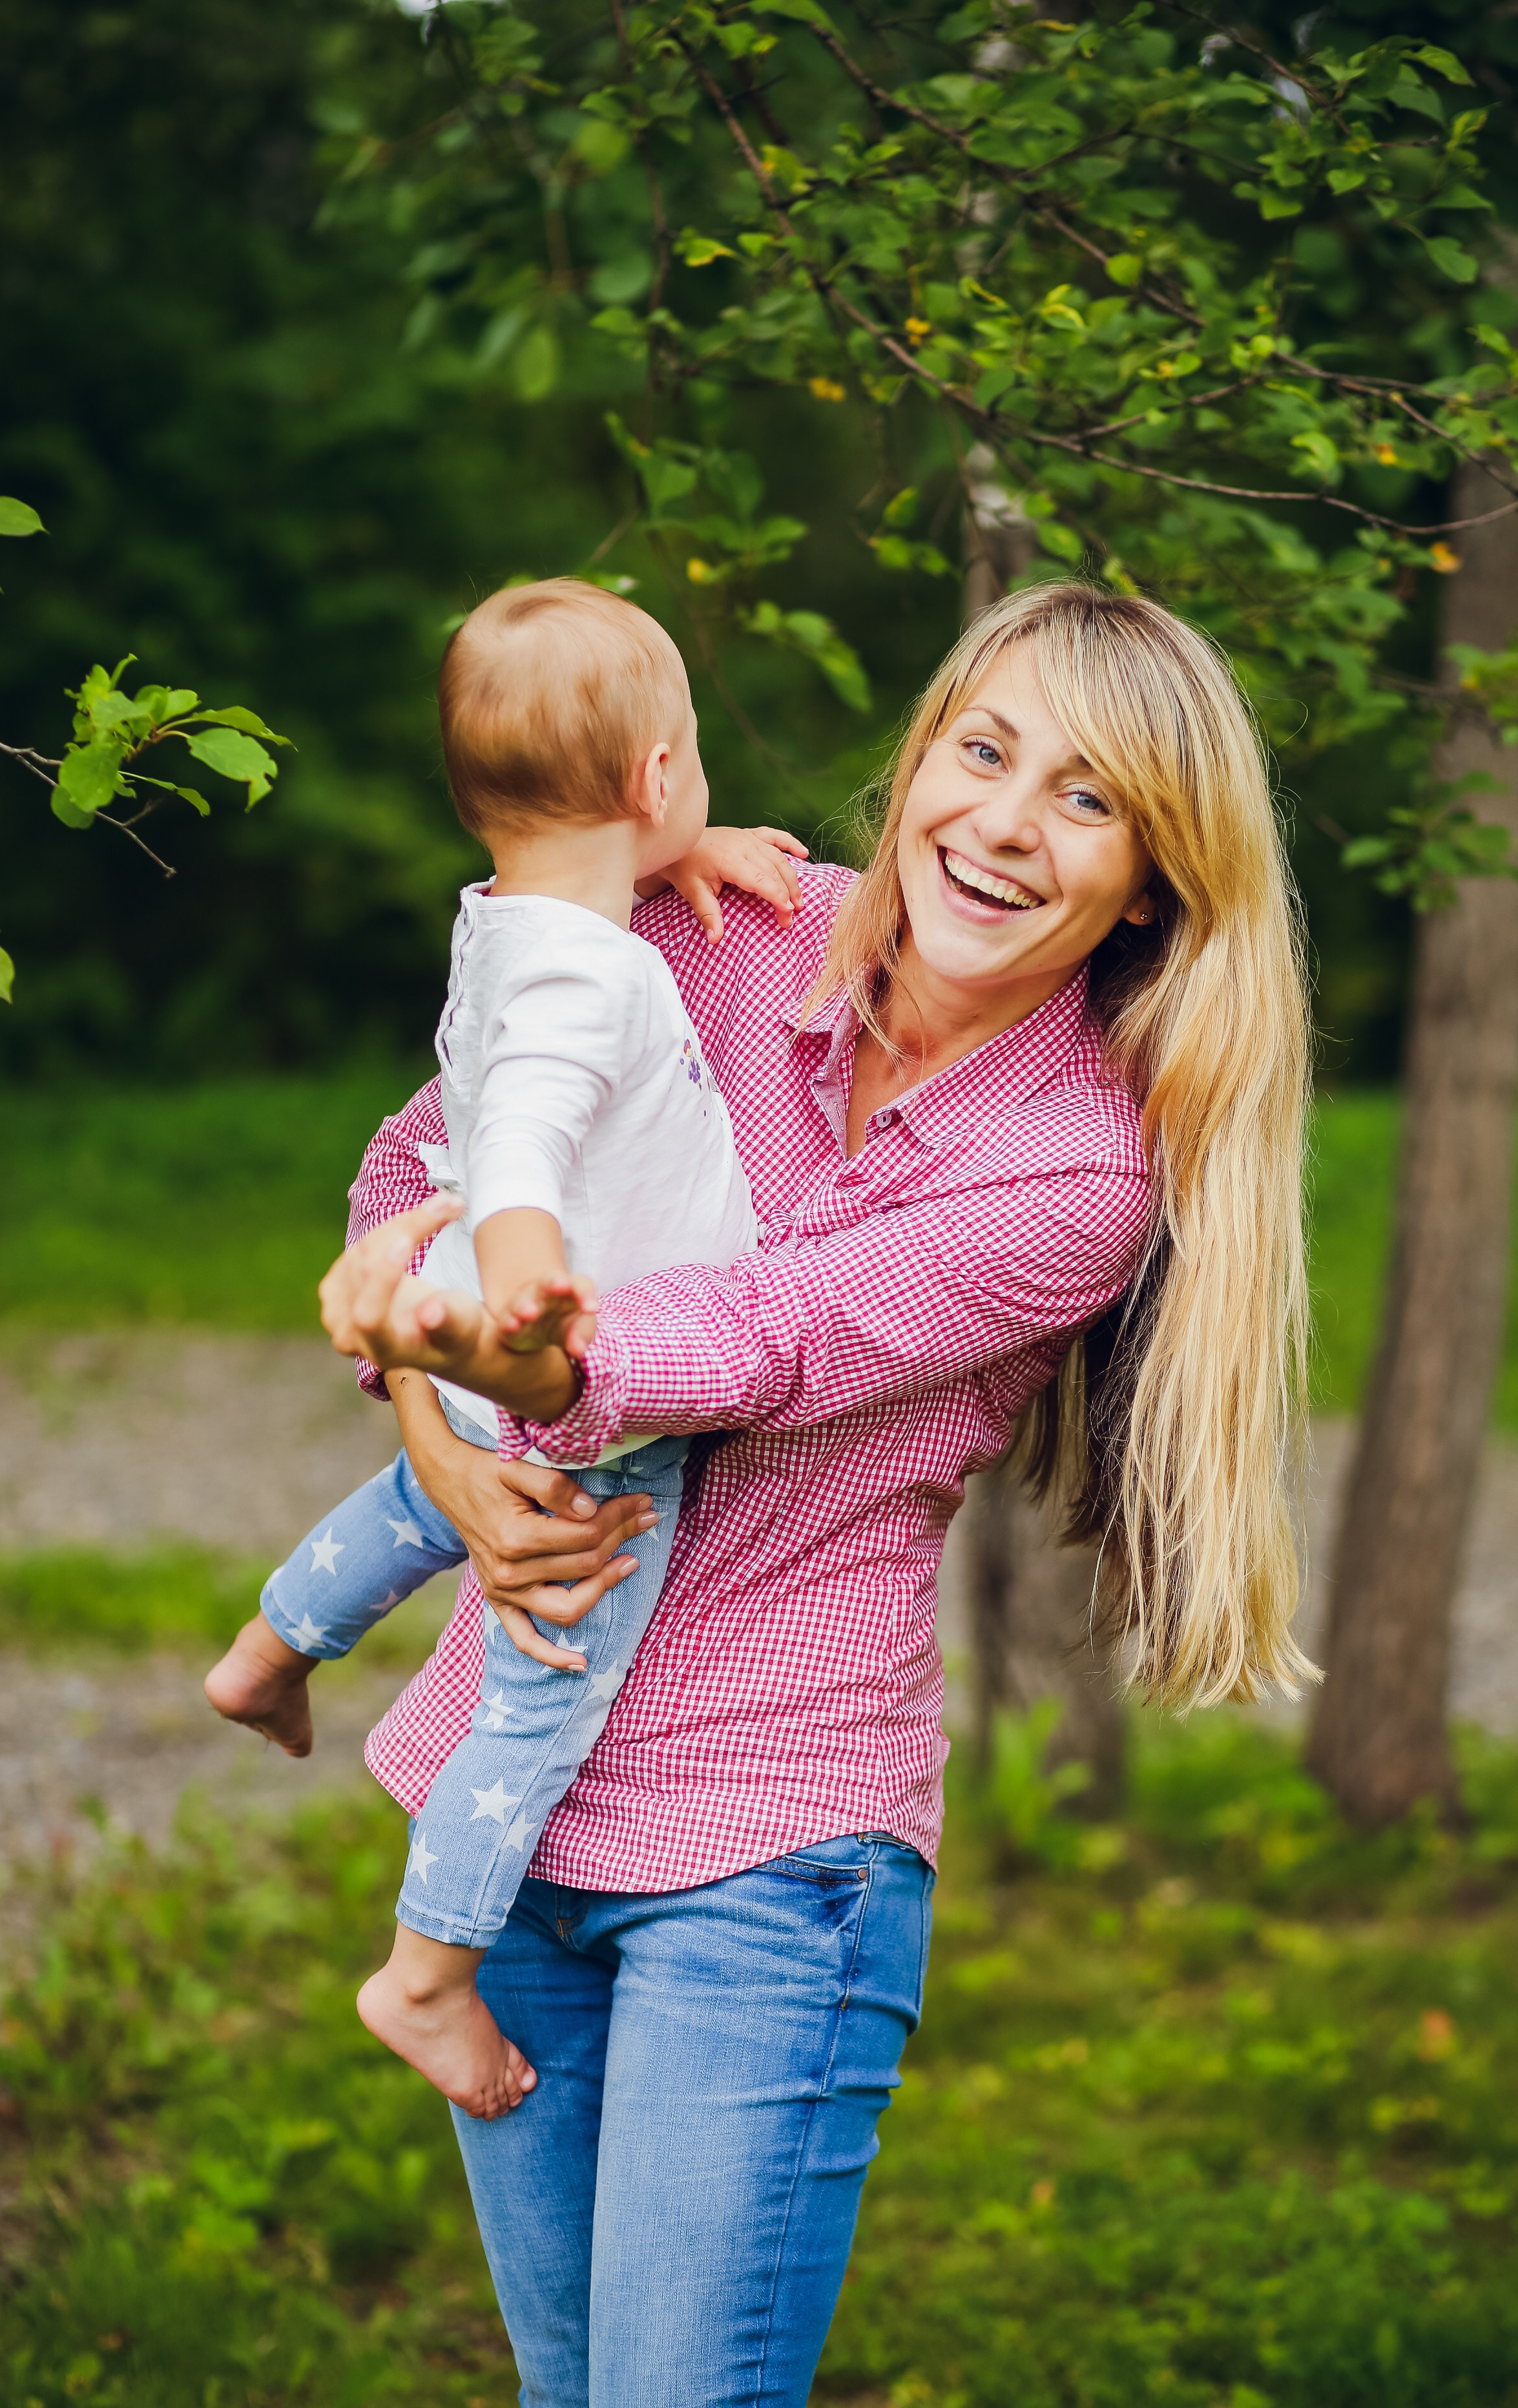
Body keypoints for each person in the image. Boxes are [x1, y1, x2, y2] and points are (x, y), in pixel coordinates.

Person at [319, 582, 1312, 2408]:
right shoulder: (722, 921)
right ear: (922, 749)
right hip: (512, 1794)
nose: (1003, 824)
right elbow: (438, 1145)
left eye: (1085, 800)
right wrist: (436, 1439)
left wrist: (503, 1355)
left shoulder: (1073, 1175)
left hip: (768, 1855)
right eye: (983, 747)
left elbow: (755, 1338)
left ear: (1151, 881)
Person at [204, 578, 804, 2117]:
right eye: (685, 780)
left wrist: (698, 856)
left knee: (422, 1501)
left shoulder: (512, 920)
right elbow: (528, 1134)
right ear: (657, 774)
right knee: (542, 1688)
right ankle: (424, 1976)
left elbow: (559, 966)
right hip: (582, 1398)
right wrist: (536, 1290)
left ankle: (274, 1643)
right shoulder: (583, 976)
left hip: (483, 1366)